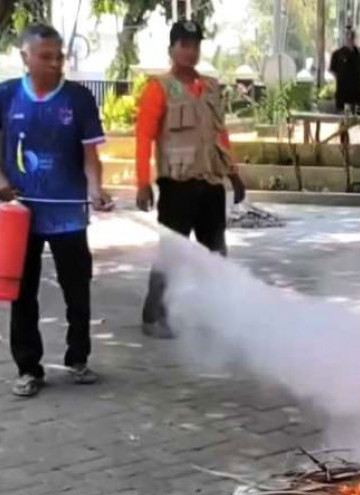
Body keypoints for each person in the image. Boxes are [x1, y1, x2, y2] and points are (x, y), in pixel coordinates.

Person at [0, 24, 113, 397]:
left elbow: (90, 156)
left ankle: (78, 358)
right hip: (20, 215)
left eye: (59, 56)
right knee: (22, 292)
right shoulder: (7, 95)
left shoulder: (79, 99)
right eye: (45, 56)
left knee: (77, 290)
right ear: (25, 57)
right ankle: (28, 369)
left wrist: (95, 189)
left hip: (68, 214)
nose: (54, 63)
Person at [135, 20, 238, 339]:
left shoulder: (210, 87)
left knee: (215, 253)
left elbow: (221, 134)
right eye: (184, 45)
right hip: (177, 186)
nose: (191, 51)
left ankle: (216, 315)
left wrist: (234, 174)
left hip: (211, 184)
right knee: (171, 254)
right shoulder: (159, 88)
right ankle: (154, 316)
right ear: (172, 49)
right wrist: (142, 183)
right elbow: (143, 137)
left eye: (195, 45)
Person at [329, 27, 360, 145]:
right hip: (343, 96)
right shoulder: (337, 55)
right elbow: (334, 71)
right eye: (347, 35)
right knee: (344, 124)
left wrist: (356, 78)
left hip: (359, 95)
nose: (350, 38)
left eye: (352, 35)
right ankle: (345, 149)